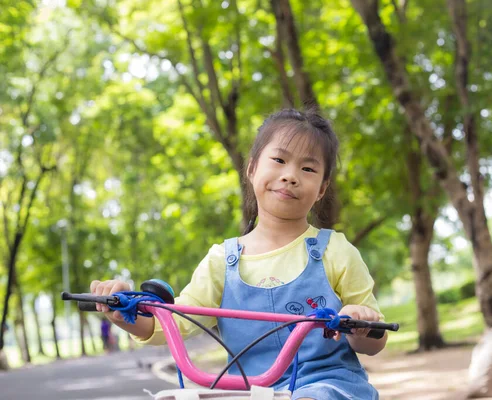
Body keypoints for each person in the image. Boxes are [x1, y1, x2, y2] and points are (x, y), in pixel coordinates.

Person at [90, 109, 387, 399]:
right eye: (279, 160)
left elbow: (376, 341)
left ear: (321, 189)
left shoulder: (335, 251)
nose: (290, 176)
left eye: (307, 169)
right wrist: (123, 312)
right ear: (252, 168)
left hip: (329, 386)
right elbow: (171, 325)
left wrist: (358, 321)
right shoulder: (221, 261)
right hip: (254, 392)